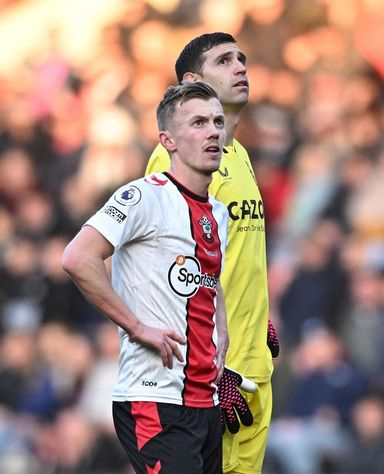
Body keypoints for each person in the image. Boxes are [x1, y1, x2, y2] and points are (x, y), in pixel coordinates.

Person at [61, 81, 230, 474]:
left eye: (218, 122)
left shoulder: (217, 213)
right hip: (154, 399)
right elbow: (77, 257)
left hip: (203, 403)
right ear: (167, 140)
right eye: (199, 123)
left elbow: (207, 275)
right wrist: (136, 326)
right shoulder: (142, 196)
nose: (213, 132)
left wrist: (222, 327)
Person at [145, 32, 278, 473]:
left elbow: (230, 253)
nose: (241, 67)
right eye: (224, 61)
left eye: (242, 58)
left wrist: (260, 315)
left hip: (252, 365)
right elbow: (165, 270)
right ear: (191, 81)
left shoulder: (236, 155)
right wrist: (210, 374)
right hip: (214, 377)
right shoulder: (177, 156)